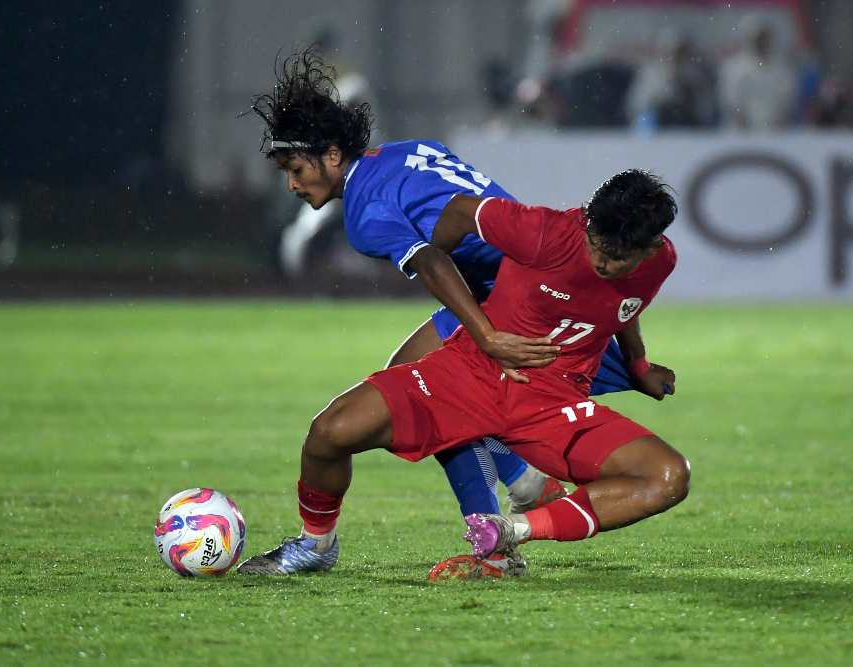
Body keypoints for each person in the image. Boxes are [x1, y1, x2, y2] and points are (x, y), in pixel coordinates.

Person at [242, 47, 653, 578]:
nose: (292, 184)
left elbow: (433, 258)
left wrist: (485, 336)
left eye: (296, 169)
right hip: (525, 287)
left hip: (522, 304)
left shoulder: (365, 213)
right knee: (412, 383)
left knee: (425, 400)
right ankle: (521, 482)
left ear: (333, 155)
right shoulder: (409, 151)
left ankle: (490, 544)